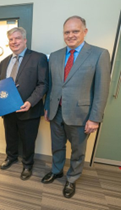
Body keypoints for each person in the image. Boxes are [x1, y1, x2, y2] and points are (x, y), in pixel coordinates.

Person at [42, 16, 111, 198]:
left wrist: (95, 118)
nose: (71, 35)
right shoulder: (55, 55)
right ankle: (57, 170)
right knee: (57, 146)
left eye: (75, 31)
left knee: (78, 151)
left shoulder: (99, 54)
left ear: (84, 32)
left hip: (81, 115)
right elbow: (52, 85)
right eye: (67, 32)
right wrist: (47, 107)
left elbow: (102, 89)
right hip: (56, 112)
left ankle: (71, 179)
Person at [0, 27, 48, 180]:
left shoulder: (38, 58)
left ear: (25, 40)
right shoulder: (4, 62)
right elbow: (1, 83)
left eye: (17, 38)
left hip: (29, 109)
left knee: (28, 139)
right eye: (11, 39)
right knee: (10, 136)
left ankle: (28, 164)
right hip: (8, 108)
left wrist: (30, 102)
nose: (14, 42)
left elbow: (43, 84)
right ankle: (11, 157)